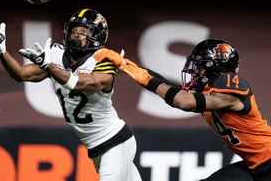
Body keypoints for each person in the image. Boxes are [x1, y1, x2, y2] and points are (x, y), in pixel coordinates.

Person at [0, 8, 142, 181]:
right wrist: (2, 52)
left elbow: (84, 83)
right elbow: (22, 74)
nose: (76, 35)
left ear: (97, 36)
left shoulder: (104, 60)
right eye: (74, 30)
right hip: (97, 149)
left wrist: (48, 66)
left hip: (115, 142)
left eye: (83, 32)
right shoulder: (56, 55)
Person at [95, 39, 271, 181]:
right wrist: (127, 65)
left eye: (201, 66)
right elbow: (172, 91)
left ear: (215, 68)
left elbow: (182, 101)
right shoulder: (208, 92)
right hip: (255, 165)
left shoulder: (231, 86)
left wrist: (146, 79)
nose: (195, 71)